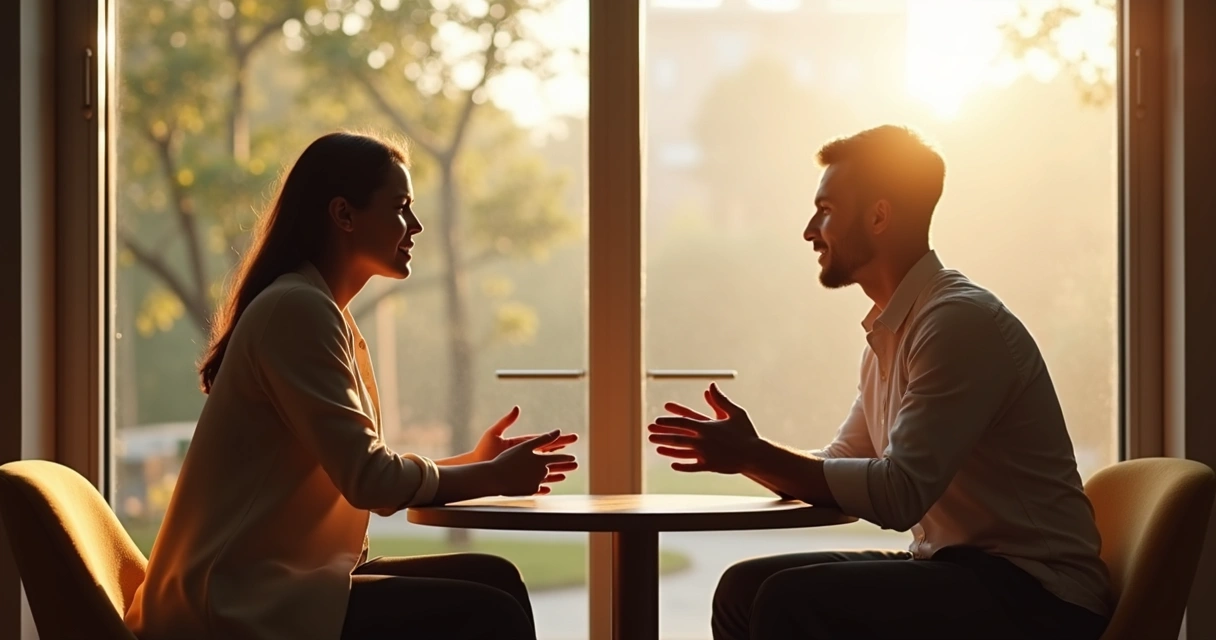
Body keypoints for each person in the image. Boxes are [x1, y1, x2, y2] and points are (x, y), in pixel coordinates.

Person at [647, 125, 1111, 640]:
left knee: (789, 600)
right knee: (746, 587)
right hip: (957, 569)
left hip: (1039, 597)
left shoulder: (958, 323)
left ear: (878, 216)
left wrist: (751, 454)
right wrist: (747, 454)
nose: (809, 229)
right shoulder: (892, 328)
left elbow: (898, 494)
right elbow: (841, 459)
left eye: (826, 209)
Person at [124, 131, 578, 640]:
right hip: (236, 604)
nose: (416, 226)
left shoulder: (318, 311)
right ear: (344, 215)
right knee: (488, 612)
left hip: (283, 585)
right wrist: (492, 478)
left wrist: (476, 464)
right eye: (401, 207)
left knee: (496, 578)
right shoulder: (296, 310)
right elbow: (371, 480)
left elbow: (361, 469)